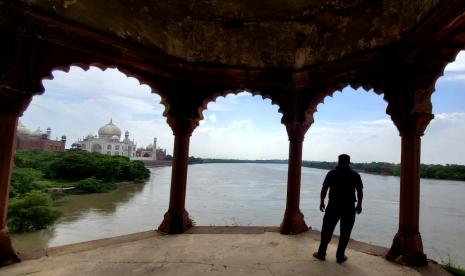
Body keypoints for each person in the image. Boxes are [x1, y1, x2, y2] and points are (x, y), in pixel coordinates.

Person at [313, 154, 363, 263]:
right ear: (349, 162)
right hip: (349, 207)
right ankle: (340, 256)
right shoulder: (355, 174)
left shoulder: (332, 173)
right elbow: (359, 191)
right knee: (345, 232)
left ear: (338, 161)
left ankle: (321, 253)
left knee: (326, 230)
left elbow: (324, 189)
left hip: (333, 206)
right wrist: (359, 205)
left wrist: (322, 202)